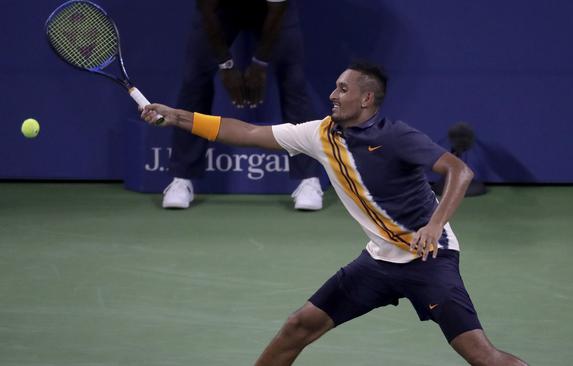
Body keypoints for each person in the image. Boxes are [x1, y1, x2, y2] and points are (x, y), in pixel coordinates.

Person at [140, 62, 528, 366]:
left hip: (429, 259)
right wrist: (176, 116)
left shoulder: (397, 137)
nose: (332, 94)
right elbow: (247, 133)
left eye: (343, 88)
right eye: (335, 86)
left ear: (366, 99)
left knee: (480, 356)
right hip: (378, 262)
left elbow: (460, 171)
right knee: (298, 326)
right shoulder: (320, 134)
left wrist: (435, 224)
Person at [164, 0, 323, 210]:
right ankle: (182, 177)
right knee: (194, 78)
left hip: (272, 9)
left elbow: (277, 10)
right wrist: (225, 65)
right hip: (220, 9)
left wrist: (260, 63)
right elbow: (207, 9)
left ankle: (309, 180)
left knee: (293, 78)